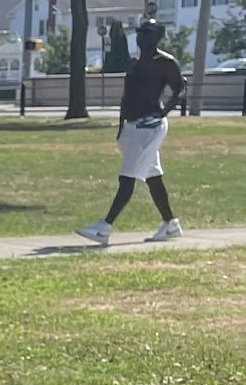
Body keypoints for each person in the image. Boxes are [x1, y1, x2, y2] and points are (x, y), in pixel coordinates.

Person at [80, 19, 188, 244]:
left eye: (146, 32)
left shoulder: (164, 62)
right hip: (131, 126)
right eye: (139, 31)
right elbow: (125, 97)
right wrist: (121, 126)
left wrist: (164, 113)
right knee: (152, 177)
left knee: (127, 176)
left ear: (157, 35)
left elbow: (179, 89)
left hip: (150, 125)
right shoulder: (134, 62)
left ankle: (104, 226)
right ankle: (170, 223)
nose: (140, 35)